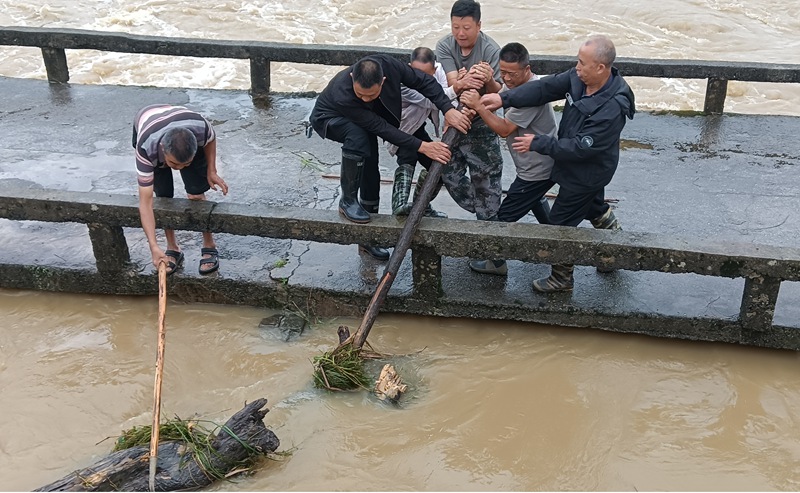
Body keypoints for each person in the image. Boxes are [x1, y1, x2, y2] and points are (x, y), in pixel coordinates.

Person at [481, 34, 636, 292]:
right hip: (571, 164)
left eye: (582, 63)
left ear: (600, 67)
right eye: (577, 61)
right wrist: (504, 99)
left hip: (586, 171)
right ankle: (615, 250)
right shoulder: (579, 77)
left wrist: (538, 143)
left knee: (560, 226)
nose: (576, 68)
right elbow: (544, 88)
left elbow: (579, 148)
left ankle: (561, 279)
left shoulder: (612, 107)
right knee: (594, 207)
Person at [309, 54, 471, 260]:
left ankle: (369, 238)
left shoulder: (391, 67)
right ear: (352, 78)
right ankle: (347, 200)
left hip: (363, 120)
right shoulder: (344, 94)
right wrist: (423, 146)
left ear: (383, 81)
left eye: (371, 95)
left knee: (370, 165)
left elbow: (424, 81)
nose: (365, 99)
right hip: (330, 118)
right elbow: (379, 127)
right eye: (361, 94)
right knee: (359, 139)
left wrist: (447, 109)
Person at [460, 42, 558, 276]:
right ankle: (555, 242)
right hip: (542, 164)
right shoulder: (522, 84)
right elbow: (503, 91)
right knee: (535, 200)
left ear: (527, 69)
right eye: (502, 72)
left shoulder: (531, 95)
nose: (507, 78)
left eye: (512, 74)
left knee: (503, 218)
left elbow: (504, 129)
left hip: (536, 170)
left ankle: (497, 263)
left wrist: (477, 106)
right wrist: (489, 81)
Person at [133, 104, 228, 276]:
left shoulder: (200, 127)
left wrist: (211, 170)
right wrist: (154, 246)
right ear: (163, 149)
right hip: (147, 120)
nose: (179, 169)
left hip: (183, 121)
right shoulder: (146, 149)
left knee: (196, 191)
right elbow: (146, 203)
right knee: (163, 197)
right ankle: (172, 247)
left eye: (186, 164)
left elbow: (211, 138)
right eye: (174, 164)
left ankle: (209, 244)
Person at [435, 0, 505, 222]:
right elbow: (454, 82)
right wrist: (468, 80)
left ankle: (488, 222)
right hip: (455, 116)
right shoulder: (445, 45)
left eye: (466, 28)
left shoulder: (491, 50)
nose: (460, 33)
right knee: (448, 172)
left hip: (482, 120)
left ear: (479, 25)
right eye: (456, 27)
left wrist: (488, 79)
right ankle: (481, 209)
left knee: (485, 177)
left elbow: (498, 91)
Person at [389, 46, 457, 219]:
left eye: (427, 75)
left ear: (435, 69)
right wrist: (457, 88)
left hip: (417, 127)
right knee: (407, 157)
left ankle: (422, 206)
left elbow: (443, 95)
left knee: (438, 167)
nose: (419, 79)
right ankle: (400, 205)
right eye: (416, 72)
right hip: (401, 127)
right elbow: (432, 101)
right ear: (409, 67)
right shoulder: (403, 82)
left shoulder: (440, 72)